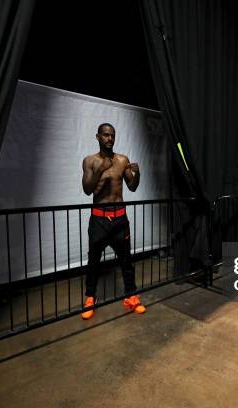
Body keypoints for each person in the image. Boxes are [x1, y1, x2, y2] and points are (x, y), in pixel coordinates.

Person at [80, 123, 145, 319]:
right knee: (93, 262)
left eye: (112, 135)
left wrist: (137, 173)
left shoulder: (122, 160)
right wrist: (100, 170)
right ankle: (90, 298)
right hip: (99, 220)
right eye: (106, 135)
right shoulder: (90, 161)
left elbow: (132, 187)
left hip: (119, 220)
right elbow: (87, 189)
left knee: (126, 261)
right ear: (98, 136)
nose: (109, 138)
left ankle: (131, 297)